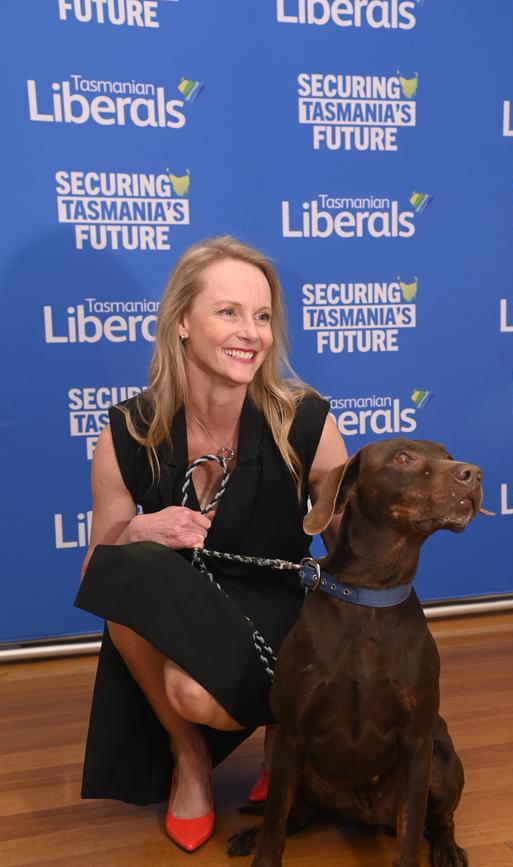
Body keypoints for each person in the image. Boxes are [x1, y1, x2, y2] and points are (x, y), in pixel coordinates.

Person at [74, 235, 347, 852]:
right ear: (180, 325)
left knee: (195, 689)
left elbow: (349, 552)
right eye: (229, 312)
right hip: (189, 600)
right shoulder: (128, 431)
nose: (251, 332)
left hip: (279, 606)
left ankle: (285, 738)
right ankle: (189, 759)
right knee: (125, 568)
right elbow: (97, 573)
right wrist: (137, 530)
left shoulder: (306, 421)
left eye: (263, 316)